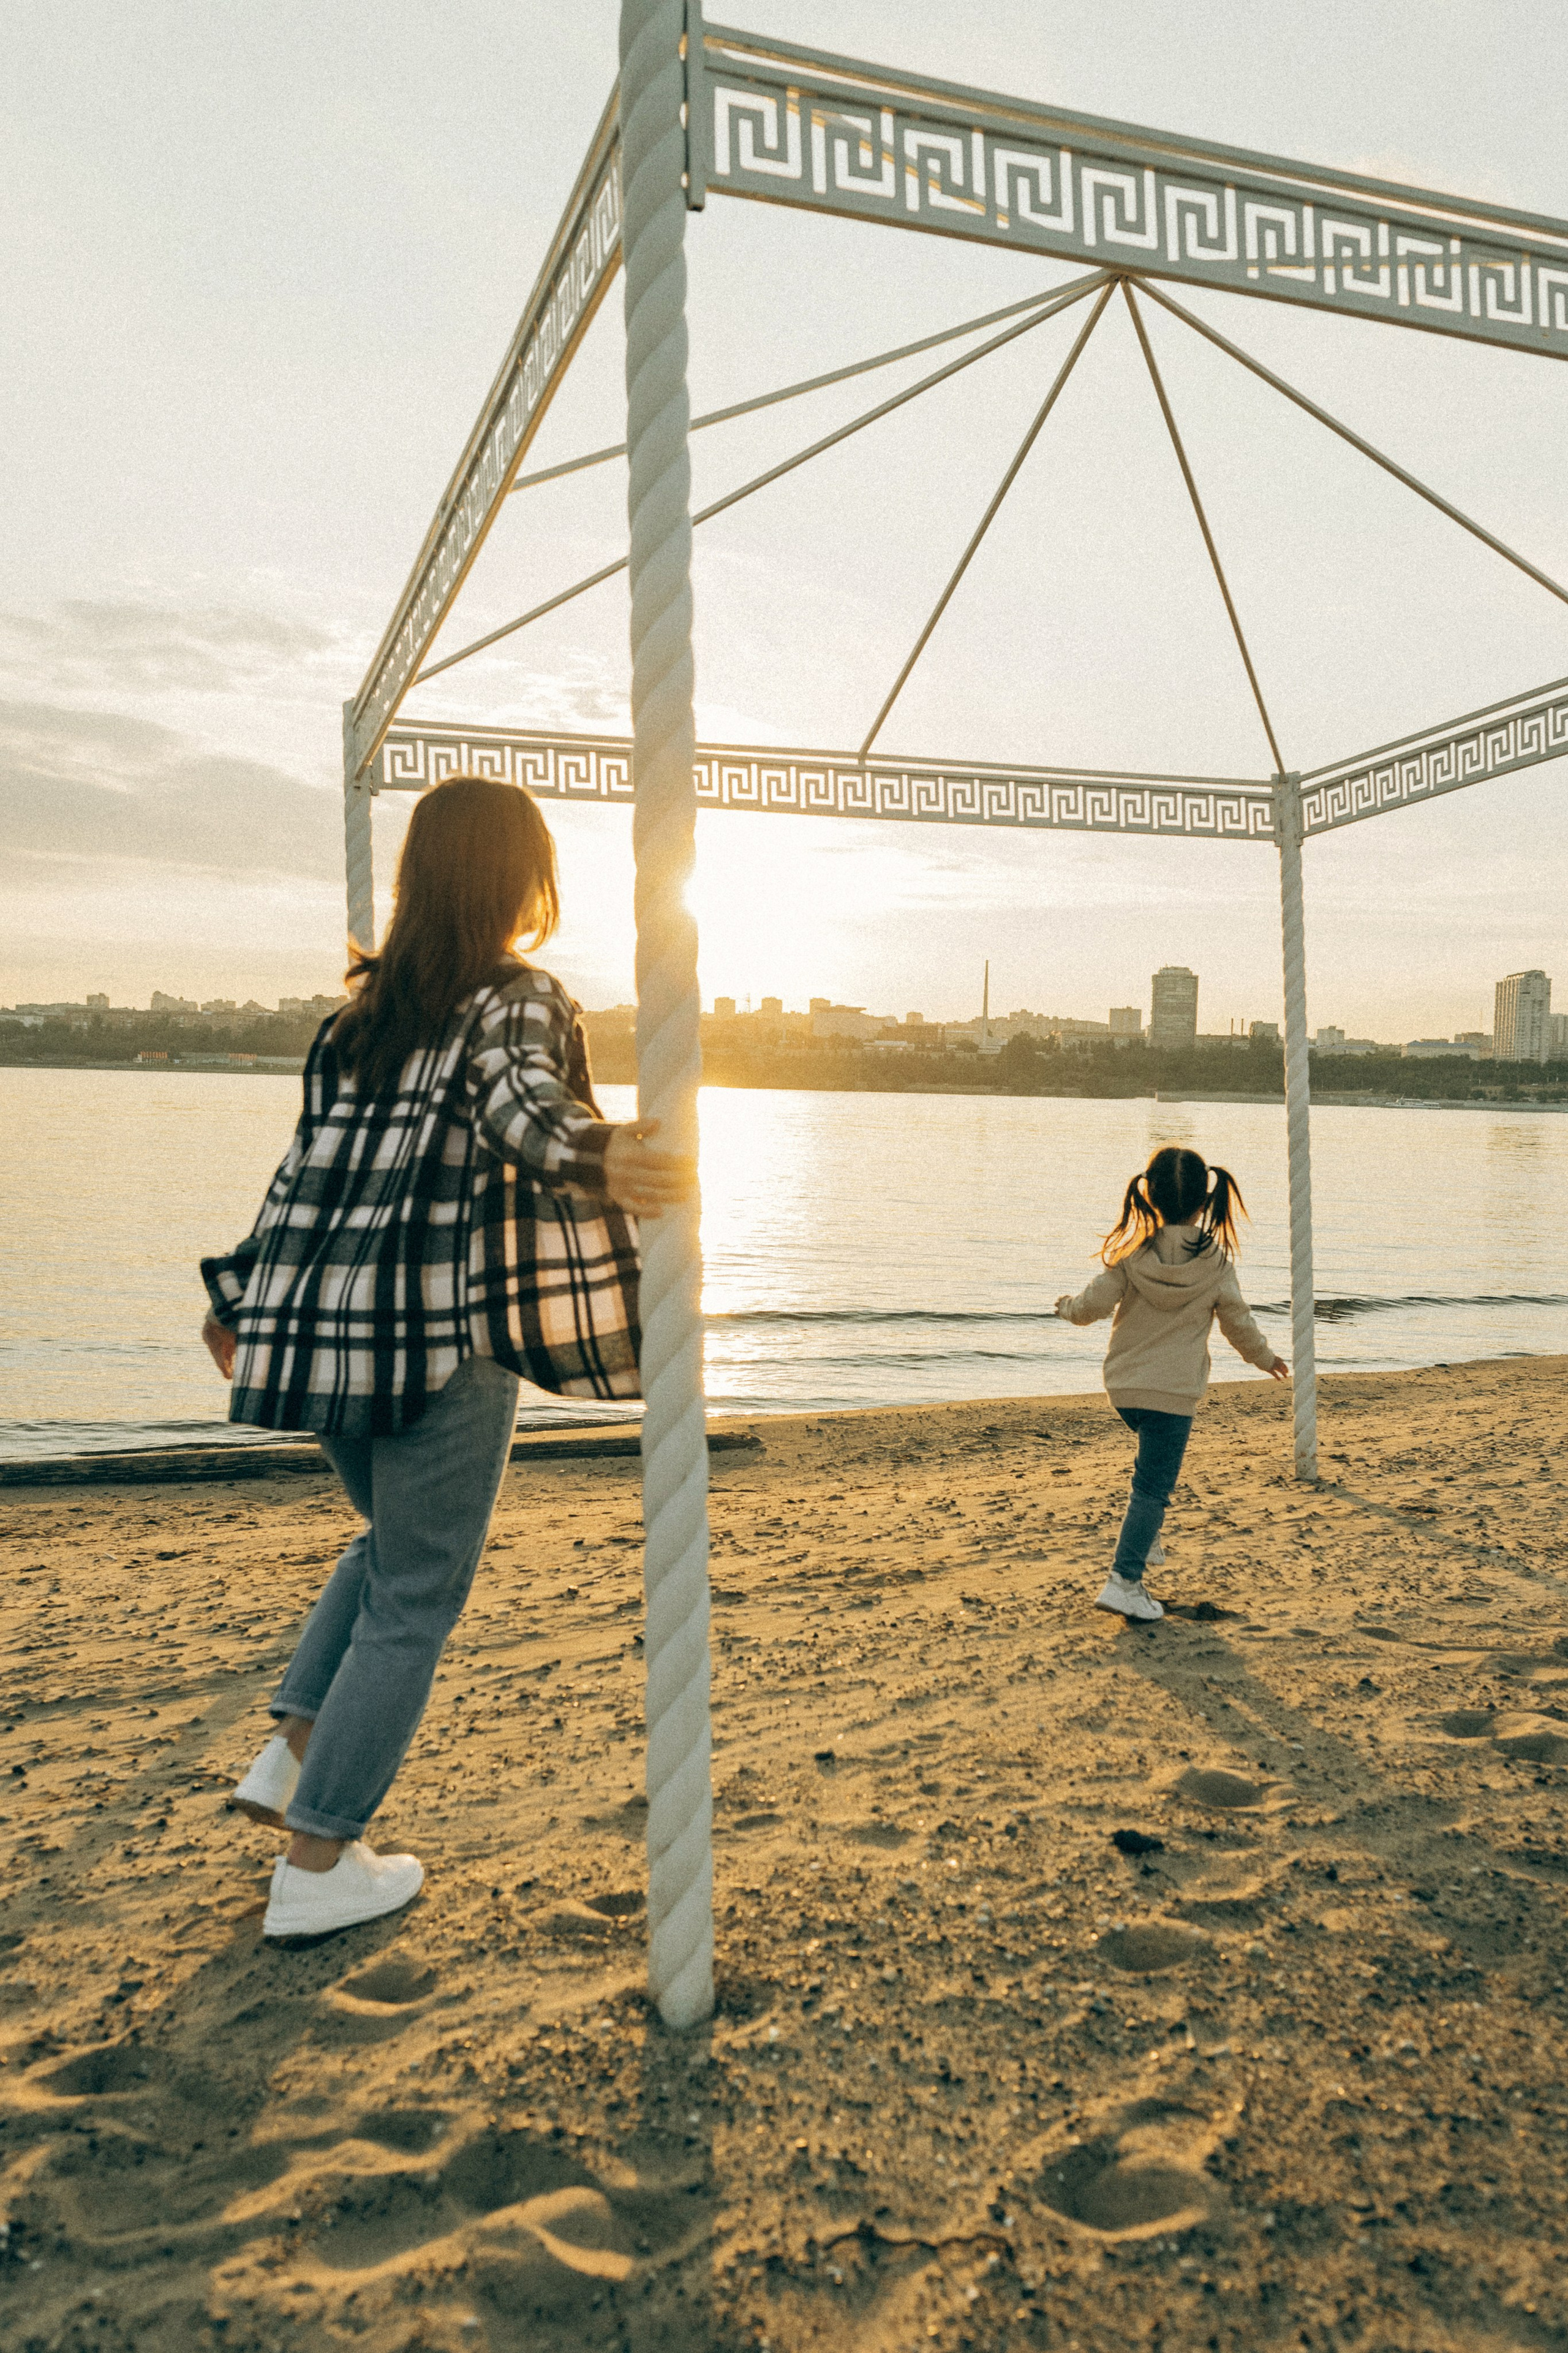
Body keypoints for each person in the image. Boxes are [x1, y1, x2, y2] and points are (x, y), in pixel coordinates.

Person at [199, 774, 692, 1939]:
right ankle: (320, 1865)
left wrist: (241, 1296)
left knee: (390, 1552)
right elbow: (519, 1107)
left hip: (325, 1340)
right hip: (434, 1346)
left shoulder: (354, 1023)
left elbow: (300, 1177)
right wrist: (606, 1154)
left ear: (421, 879)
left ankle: (292, 1757)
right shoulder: (516, 999)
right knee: (419, 1589)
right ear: (521, 880)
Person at [1054, 1144, 1287, 1623]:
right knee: (1153, 1487)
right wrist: (1266, 1359)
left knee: (1150, 1474)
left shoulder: (1133, 1254)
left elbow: (1093, 1306)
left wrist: (1066, 1307)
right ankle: (1124, 1581)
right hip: (1173, 1395)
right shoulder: (1216, 1263)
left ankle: (1146, 1533)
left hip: (1124, 1390)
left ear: (1152, 1197)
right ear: (1204, 1203)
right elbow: (1238, 1323)